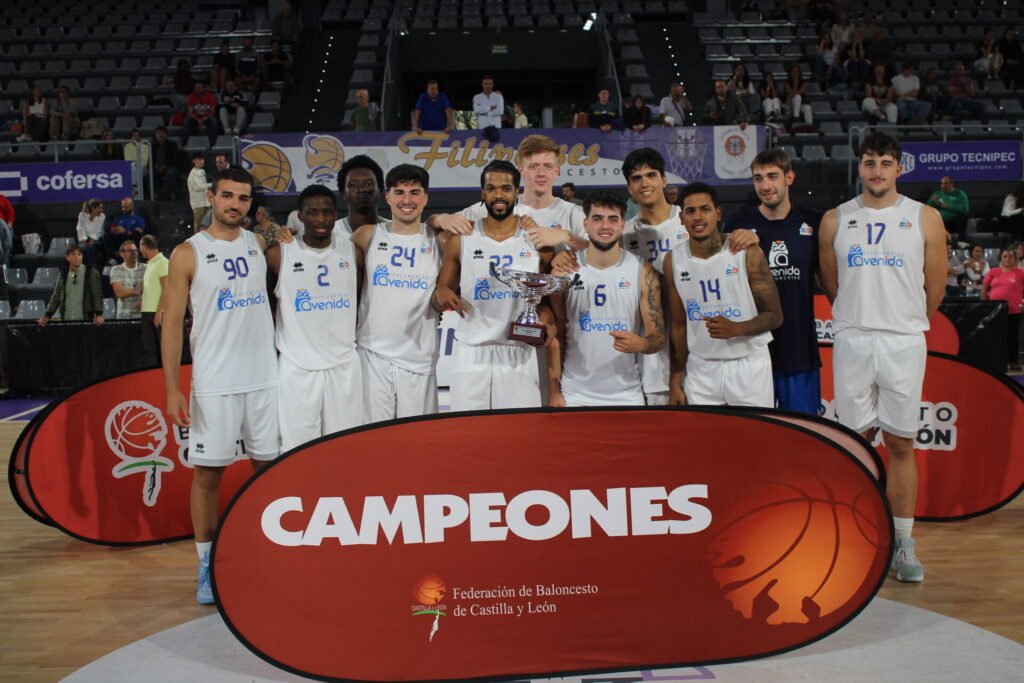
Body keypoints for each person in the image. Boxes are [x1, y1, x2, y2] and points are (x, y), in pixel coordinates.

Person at [818, 132, 947, 583]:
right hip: (853, 338)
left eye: (885, 163)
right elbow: (831, 283)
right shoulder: (836, 219)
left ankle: (904, 544)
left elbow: (936, 286)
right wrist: (861, 317)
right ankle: (855, 536)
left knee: (901, 444)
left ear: (899, 168)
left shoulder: (924, 217)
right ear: (860, 167)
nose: (877, 171)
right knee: (854, 443)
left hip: (903, 340)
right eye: (870, 162)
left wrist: (906, 320)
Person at [553, 148, 757, 404]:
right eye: (636, 178)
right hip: (652, 356)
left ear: (664, 180)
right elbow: (600, 247)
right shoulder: (626, 234)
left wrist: (749, 236)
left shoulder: (689, 220)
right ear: (629, 187)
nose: (645, 183)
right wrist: (566, 254)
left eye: (651, 175)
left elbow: (721, 247)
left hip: (699, 346)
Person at [161, 167, 278, 604]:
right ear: (211, 197)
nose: (235, 204)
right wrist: (172, 389)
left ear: (251, 204)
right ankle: (206, 564)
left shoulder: (259, 242)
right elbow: (171, 326)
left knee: (270, 471)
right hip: (214, 382)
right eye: (227, 196)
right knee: (208, 474)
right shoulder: (188, 253)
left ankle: (267, 551)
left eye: (243, 198)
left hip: (265, 379)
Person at [431, 160, 555, 410]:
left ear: (516, 193)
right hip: (471, 352)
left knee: (517, 437)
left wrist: (547, 328)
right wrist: (442, 292)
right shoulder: (462, 240)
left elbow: (547, 304)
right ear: (482, 193)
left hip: (517, 352)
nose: (498, 195)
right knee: (468, 436)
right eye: (491, 188)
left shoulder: (537, 242)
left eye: (506, 188)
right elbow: (439, 296)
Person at [723, 149, 824, 414]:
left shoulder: (814, 223)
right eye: (758, 178)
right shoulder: (737, 224)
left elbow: (828, 279)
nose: (765, 185)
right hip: (752, 352)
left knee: (804, 439)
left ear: (789, 177)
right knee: (755, 441)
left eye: (772, 176)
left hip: (799, 351)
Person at [664, 183, 783, 408]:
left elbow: (775, 316)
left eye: (705, 209)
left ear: (717, 213)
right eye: (690, 211)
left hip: (749, 365)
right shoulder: (673, 260)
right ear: (681, 218)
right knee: (704, 441)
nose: (697, 217)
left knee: (753, 439)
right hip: (701, 368)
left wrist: (737, 328)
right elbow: (679, 326)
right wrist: (676, 379)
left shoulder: (747, 252)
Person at [266, 185, 363, 450]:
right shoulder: (278, 254)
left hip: (343, 366)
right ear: (300, 215)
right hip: (297, 367)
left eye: (326, 212)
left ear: (335, 214)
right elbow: (267, 305)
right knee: (297, 452)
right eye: (313, 213)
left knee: (345, 449)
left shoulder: (352, 252)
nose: (320, 219)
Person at [548, 191, 665, 407]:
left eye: (613, 219)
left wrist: (641, 343)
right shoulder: (564, 271)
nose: (605, 226)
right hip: (575, 393)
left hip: (627, 393)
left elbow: (657, 338)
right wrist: (554, 392)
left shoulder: (642, 271)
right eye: (597, 218)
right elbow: (557, 336)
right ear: (586, 224)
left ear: (622, 225)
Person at [353, 164, 443, 422]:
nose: (407, 200)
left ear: (425, 198)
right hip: (372, 357)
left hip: (419, 360)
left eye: (415, 192)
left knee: (417, 444)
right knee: (373, 441)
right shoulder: (367, 235)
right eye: (399, 192)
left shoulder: (439, 239)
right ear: (388, 197)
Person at [427, 134, 589, 253]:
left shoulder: (573, 213)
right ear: (521, 171)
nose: (541, 173)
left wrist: (567, 237)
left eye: (547, 166)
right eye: (533, 166)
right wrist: (443, 219)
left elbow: (603, 254)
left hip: (560, 296)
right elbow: (430, 224)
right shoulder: (498, 206)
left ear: (556, 171)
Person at [38, 244, 104, 326]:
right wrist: (48, 314)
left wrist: (99, 314)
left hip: (85, 319)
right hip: (66, 319)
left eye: (79, 254)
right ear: (67, 257)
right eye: (73, 254)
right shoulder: (63, 274)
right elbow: (56, 296)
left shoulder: (91, 272)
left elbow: (97, 294)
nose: (77, 257)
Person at [982, 249, 1024, 371]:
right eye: (1005, 256)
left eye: (1011, 256)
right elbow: (984, 288)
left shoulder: (1020, 273)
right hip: (995, 311)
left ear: (1015, 259)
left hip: (1014, 310)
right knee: (996, 337)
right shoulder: (993, 272)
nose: (1007, 259)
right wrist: (984, 305)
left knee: (1013, 337)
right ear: (1001, 258)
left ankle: (1013, 362)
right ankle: (997, 361)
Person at [336, 155, 386, 235]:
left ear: (380, 190)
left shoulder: (396, 232)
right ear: (343, 192)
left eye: (368, 184)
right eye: (353, 185)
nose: (361, 189)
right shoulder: (332, 233)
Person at [139, 234, 168, 366]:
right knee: (149, 350)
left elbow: (167, 288)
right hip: (148, 311)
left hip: (156, 313)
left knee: (162, 351)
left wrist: (160, 310)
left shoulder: (162, 263)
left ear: (144, 247)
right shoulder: (152, 264)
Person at [109, 240, 146, 319]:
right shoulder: (116, 270)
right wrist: (137, 291)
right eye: (130, 251)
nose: (134, 253)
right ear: (122, 254)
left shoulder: (146, 268)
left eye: (135, 250)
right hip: (124, 315)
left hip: (143, 315)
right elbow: (119, 293)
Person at [103, 197, 145, 265]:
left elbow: (138, 232)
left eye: (126, 207)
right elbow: (112, 229)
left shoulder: (139, 219)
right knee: (107, 235)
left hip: (130, 238)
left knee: (136, 235)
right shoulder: (118, 218)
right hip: (119, 238)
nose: (124, 209)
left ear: (131, 207)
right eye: (123, 207)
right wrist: (116, 230)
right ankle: (112, 258)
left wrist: (125, 231)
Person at [928, 176, 970, 242]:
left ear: (952, 184)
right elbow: (928, 208)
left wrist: (949, 206)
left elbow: (965, 209)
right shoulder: (937, 194)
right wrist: (933, 202)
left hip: (954, 223)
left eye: (946, 183)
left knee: (963, 217)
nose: (943, 186)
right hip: (940, 222)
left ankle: (962, 242)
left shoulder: (960, 194)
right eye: (942, 184)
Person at [182, 82, 218, 147]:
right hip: (195, 118)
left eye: (200, 88)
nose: (198, 90)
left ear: (204, 89)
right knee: (187, 121)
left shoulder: (210, 96)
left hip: (207, 117)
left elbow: (212, 112)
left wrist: (204, 119)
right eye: (196, 88)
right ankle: (185, 143)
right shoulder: (191, 97)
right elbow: (190, 112)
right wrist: (197, 119)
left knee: (214, 120)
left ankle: (214, 143)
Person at [152, 126, 180, 201]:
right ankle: (155, 195)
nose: (160, 135)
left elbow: (174, 159)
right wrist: (155, 166)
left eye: (162, 133)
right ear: (156, 135)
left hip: (169, 166)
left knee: (171, 172)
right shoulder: (152, 145)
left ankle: (171, 194)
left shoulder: (172, 144)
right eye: (158, 133)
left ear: (166, 134)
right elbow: (151, 159)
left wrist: (166, 166)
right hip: (157, 167)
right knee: (151, 173)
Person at [188, 152, 211, 231]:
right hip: (198, 204)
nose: (202, 161)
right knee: (198, 225)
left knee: (209, 224)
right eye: (200, 159)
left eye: (202, 159)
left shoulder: (202, 172)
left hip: (206, 202)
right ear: (194, 160)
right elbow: (197, 187)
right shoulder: (192, 174)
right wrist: (210, 185)